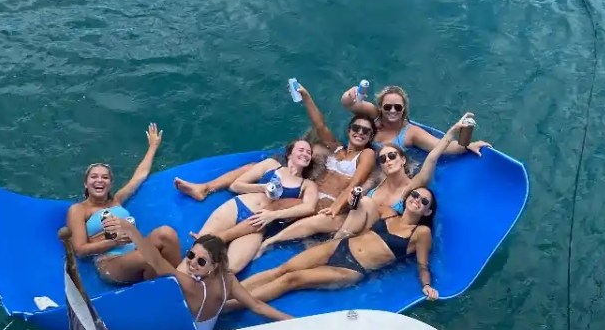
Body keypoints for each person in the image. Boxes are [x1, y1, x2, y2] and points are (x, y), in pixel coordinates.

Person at [256, 112, 469, 256]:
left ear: (403, 159)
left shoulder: (412, 189)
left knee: (361, 206)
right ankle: (270, 242)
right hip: (352, 223)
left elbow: (431, 158)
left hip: (372, 235)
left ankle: (329, 245)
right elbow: (356, 197)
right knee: (318, 220)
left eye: (393, 156)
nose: (388, 161)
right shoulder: (377, 179)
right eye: (384, 159)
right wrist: (348, 199)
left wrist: (451, 134)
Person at [232, 182, 441, 305]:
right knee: (282, 269)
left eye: (424, 202)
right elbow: (360, 206)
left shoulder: (420, 232)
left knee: (292, 279)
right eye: (415, 195)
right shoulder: (387, 212)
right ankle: (228, 292)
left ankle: (230, 306)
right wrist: (351, 200)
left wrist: (427, 285)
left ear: (427, 212)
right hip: (340, 245)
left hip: (352, 268)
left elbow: (422, 264)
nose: (417, 200)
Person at [173, 83, 376, 208]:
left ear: (370, 137)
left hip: (312, 195)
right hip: (306, 180)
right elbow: (319, 124)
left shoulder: (366, 154)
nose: (360, 132)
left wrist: (337, 207)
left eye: (366, 131)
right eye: (356, 128)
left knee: (268, 204)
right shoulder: (336, 148)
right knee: (253, 166)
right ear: (349, 130)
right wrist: (305, 96)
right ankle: (206, 188)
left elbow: (355, 184)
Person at [115, 221, 292, 330]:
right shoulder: (227, 279)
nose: (192, 263)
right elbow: (257, 306)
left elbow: (157, 262)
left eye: (201, 261)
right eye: (190, 255)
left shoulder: (191, 286)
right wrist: (291, 321)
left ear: (214, 265)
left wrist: (132, 231)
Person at [65, 123, 181, 284]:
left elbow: (139, 176)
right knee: (146, 256)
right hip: (111, 262)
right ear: (86, 184)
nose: (99, 180)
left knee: (166, 233)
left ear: (110, 184)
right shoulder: (79, 209)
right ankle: (181, 282)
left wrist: (153, 147)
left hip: (136, 250)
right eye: (94, 177)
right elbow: (80, 250)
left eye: (105, 177)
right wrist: (114, 242)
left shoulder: (117, 200)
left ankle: (174, 282)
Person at [193, 139, 319, 274]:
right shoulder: (271, 165)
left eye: (309, 152)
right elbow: (236, 185)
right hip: (239, 206)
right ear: (289, 154)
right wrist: (262, 187)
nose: (305, 154)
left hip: (259, 225)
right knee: (199, 249)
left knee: (230, 269)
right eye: (301, 150)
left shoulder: (307, 185)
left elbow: (309, 207)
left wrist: (273, 215)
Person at [340, 84, 490, 155]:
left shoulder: (411, 133)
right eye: (388, 107)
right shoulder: (374, 115)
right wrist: (350, 94)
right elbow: (349, 104)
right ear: (380, 107)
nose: (392, 111)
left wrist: (467, 145)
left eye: (397, 107)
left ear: (404, 108)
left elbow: (441, 147)